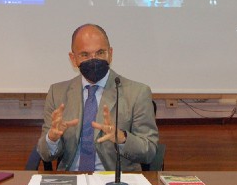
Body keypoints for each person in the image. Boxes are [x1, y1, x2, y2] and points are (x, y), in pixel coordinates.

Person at [37, 24, 158, 171]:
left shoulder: (137, 93)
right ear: (73, 59)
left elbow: (149, 151)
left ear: (110, 54)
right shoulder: (57, 93)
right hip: (71, 178)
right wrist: (52, 138)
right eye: (85, 55)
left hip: (116, 179)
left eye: (100, 53)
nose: (93, 60)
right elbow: (45, 154)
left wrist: (122, 138)